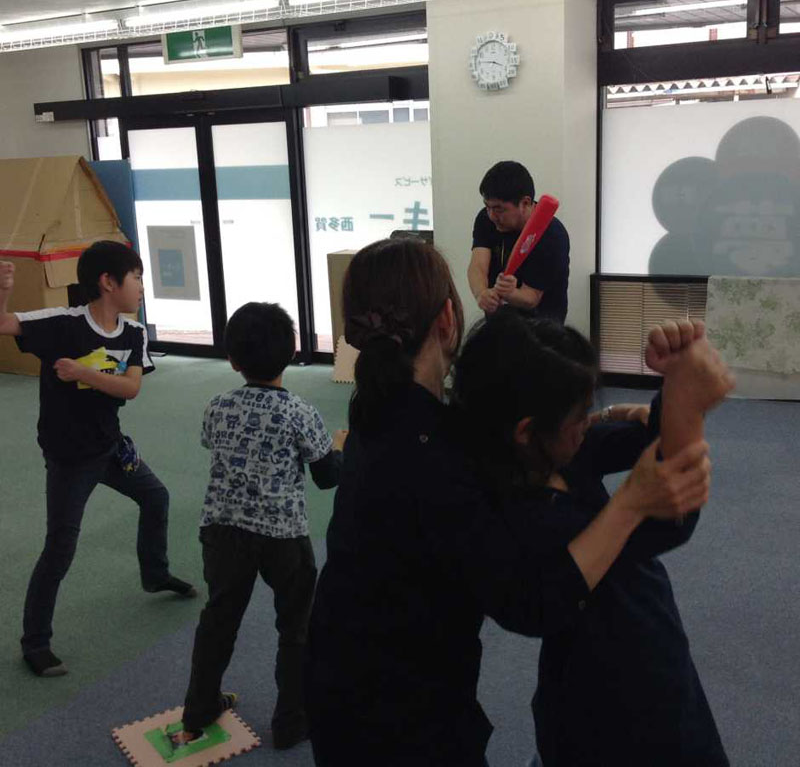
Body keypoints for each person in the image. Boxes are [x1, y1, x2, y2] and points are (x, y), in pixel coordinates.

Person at [305, 238, 711, 767]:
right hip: (399, 720)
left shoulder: (386, 415)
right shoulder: (446, 460)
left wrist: (653, 408)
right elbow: (533, 602)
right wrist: (632, 500)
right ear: (448, 318)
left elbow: (568, 445)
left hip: (341, 677)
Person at [451, 309, 734, 766]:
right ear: (526, 431)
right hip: (616, 712)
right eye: (580, 415)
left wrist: (673, 384)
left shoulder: (557, 456)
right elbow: (669, 520)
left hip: (640, 666)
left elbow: (643, 439)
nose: (590, 421)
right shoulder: (520, 516)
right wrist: (635, 495)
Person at [0, 242, 195, 679]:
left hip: (111, 448)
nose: (142, 287)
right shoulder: (62, 324)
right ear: (108, 282)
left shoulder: (133, 333)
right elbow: (3, 323)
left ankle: (155, 574)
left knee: (156, 497)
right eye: (137, 278)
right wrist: (4, 290)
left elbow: (131, 388)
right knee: (60, 548)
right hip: (70, 459)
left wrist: (82, 373)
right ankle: (35, 643)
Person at [171, 302, 346, 751]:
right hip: (283, 537)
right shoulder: (301, 412)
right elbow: (327, 477)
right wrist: (339, 447)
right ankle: (291, 721)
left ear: (232, 360)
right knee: (296, 628)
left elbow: (211, 443)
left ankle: (199, 708)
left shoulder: (217, 406)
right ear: (291, 354)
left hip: (222, 532)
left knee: (219, 620)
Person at [467, 160, 570, 322]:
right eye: (487, 207)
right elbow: (477, 265)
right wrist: (481, 293)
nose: (492, 215)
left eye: (499, 209)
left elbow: (531, 298)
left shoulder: (552, 234)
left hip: (541, 326)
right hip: (499, 323)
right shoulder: (486, 219)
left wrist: (510, 293)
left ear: (525, 203)